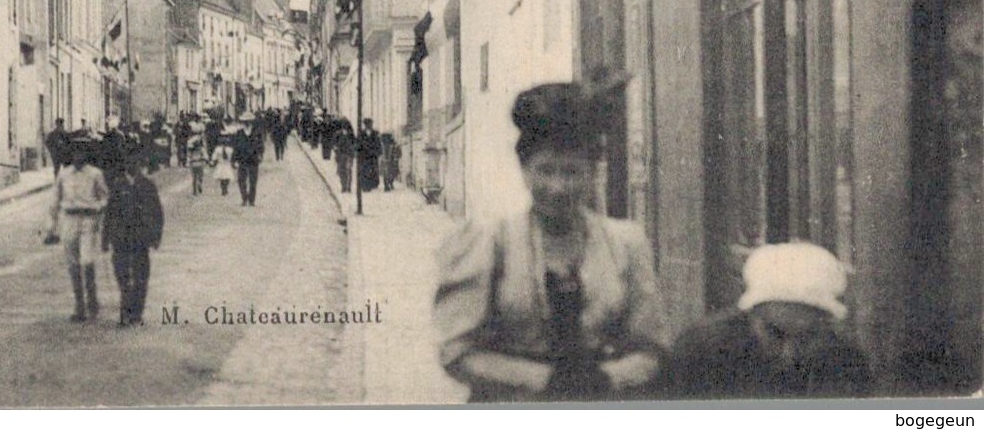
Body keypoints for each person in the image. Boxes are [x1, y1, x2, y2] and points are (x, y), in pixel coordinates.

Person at [433, 77, 667, 402]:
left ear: (592, 172)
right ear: (524, 169)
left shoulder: (626, 243)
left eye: (572, 172)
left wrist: (605, 378)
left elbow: (651, 348)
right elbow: (457, 352)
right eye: (545, 170)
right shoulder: (488, 242)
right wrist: (546, 379)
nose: (557, 188)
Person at [662, 242, 873, 398]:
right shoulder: (700, 354)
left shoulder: (847, 364)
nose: (788, 353)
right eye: (775, 334)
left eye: (807, 338)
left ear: (826, 324)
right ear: (750, 315)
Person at [48, 131, 109, 322]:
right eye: (75, 151)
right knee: (73, 265)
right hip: (69, 220)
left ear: (87, 153)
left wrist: (98, 208)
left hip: (89, 220)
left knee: (87, 261)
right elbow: (55, 200)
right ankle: (79, 305)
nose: (78, 155)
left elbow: (105, 197)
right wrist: (52, 225)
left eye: (82, 151)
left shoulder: (95, 174)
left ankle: (92, 298)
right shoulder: (64, 175)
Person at [102, 149, 163, 327]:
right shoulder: (118, 186)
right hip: (120, 238)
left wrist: (156, 235)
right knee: (122, 274)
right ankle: (126, 309)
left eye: (135, 162)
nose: (132, 166)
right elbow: (109, 213)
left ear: (140, 164)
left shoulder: (148, 186)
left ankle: (136, 312)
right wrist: (105, 238)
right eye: (129, 162)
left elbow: (157, 212)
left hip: (140, 238)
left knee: (141, 276)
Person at [234, 114, 263, 207]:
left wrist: (260, 155)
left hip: (253, 159)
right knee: (241, 180)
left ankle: (251, 200)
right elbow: (235, 147)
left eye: (248, 121)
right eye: (245, 121)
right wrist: (234, 159)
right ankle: (244, 198)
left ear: (251, 121)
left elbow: (260, 145)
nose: (246, 123)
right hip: (242, 159)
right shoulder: (239, 133)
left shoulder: (256, 132)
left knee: (253, 181)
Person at [356, 118, 381, 194]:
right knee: (364, 171)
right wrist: (358, 152)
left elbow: (378, 143)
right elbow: (358, 144)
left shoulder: (375, 133)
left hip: (373, 155)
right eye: (367, 125)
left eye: (370, 124)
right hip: (364, 156)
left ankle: (372, 185)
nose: (369, 126)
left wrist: (378, 152)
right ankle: (365, 186)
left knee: (373, 170)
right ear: (365, 125)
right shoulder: (361, 133)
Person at [210, 131, 235, 197]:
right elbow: (233, 158)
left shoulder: (218, 149)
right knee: (226, 177)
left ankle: (224, 189)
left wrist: (213, 162)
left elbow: (214, 157)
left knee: (223, 177)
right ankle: (225, 188)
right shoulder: (230, 149)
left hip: (222, 164)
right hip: (225, 164)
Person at [333, 121, 354, 194]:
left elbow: (354, 143)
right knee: (341, 171)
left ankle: (348, 187)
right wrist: (336, 149)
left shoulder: (351, 135)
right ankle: (343, 186)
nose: (345, 128)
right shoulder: (338, 134)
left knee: (348, 170)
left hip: (349, 155)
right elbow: (334, 144)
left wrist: (352, 150)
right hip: (340, 155)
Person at [186, 127, 208, 196]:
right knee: (200, 176)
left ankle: (194, 191)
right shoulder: (201, 148)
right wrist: (206, 160)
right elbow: (205, 155)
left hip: (193, 163)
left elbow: (188, 156)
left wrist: (188, 162)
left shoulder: (190, 142)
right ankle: (199, 184)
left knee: (194, 177)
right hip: (200, 163)